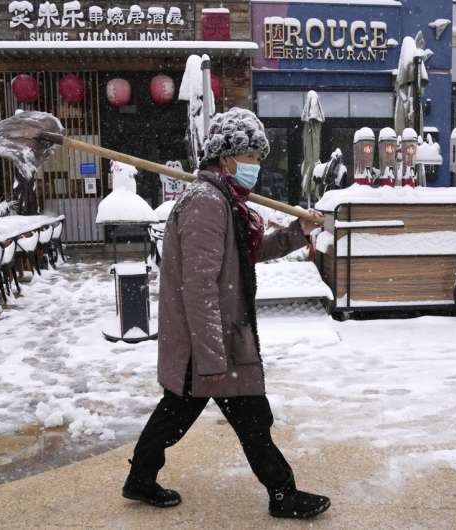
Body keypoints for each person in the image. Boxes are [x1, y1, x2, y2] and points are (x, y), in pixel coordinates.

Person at [122, 108, 330, 519]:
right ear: (227, 156)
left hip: (217, 340)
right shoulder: (206, 203)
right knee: (248, 418)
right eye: (251, 157)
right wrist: (212, 356)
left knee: (179, 415)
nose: (256, 166)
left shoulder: (226, 201)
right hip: (210, 344)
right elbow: (198, 286)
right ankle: (282, 493)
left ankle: (141, 478)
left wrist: (297, 232)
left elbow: (250, 254)